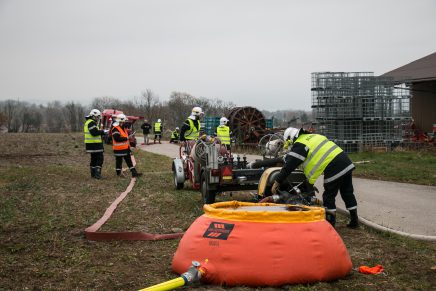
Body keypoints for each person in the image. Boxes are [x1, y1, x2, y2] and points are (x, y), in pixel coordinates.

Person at [260, 127, 359, 228]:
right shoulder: (313, 137)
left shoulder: (300, 144)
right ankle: (354, 221)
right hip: (346, 162)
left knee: (328, 196)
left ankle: (330, 225)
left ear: (291, 138)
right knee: (347, 192)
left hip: (334, 166)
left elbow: (289, 166)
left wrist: (277, 181)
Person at [110, 114, 142, 178]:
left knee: (129, 161)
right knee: (119, 161)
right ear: (120, 121)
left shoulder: (123, 128)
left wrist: (131, 143)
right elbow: (117, 139)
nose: (125, 123)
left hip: (125, 148)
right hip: (118, 149)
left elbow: (126, 135)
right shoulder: (115, 129)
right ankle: (119, 174)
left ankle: (134, 172)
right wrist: (127, 138)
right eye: (124, 121)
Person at [84, 109, 106, 179]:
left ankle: (93, 174)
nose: (97, 118)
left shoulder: (89, 122)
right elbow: (94, 133)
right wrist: (102, 132)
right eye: (97, 117)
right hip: (95, 145)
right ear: (93, 116)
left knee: (93, 159)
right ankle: (97, 175)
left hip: (91, 144)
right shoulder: (91, 123)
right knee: (100, 159)